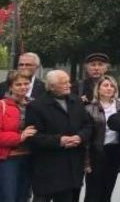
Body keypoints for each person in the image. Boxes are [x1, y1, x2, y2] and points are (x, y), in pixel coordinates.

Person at [26, 69, 93, 202]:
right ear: (51, 86)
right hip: (47, 167)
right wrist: (59, 140)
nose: (69, 85)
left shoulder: (76, 101)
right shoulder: (36, 106)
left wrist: (80, 137)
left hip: (71, 165)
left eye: (69, 81)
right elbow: (33, 137)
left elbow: (88, 125)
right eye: (64, 83)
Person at [83, 76, 120, 202]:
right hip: (96, 152)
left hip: (115, 151)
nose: (109, 88)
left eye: (112, 86)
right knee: (93, 191)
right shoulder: (89, 108)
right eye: (105, 85)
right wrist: (86, 161)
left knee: (108, 189)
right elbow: (87, 138)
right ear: (98, 89)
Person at [0, 70, 37, 202]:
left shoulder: (35, 104)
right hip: (8, 159)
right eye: (18, 84)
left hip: (30, 156)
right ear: (10, 87)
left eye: (26, 84)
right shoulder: (2, 105)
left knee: (24, 196)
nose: (23, 87)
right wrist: (20, 136)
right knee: (7, 196)